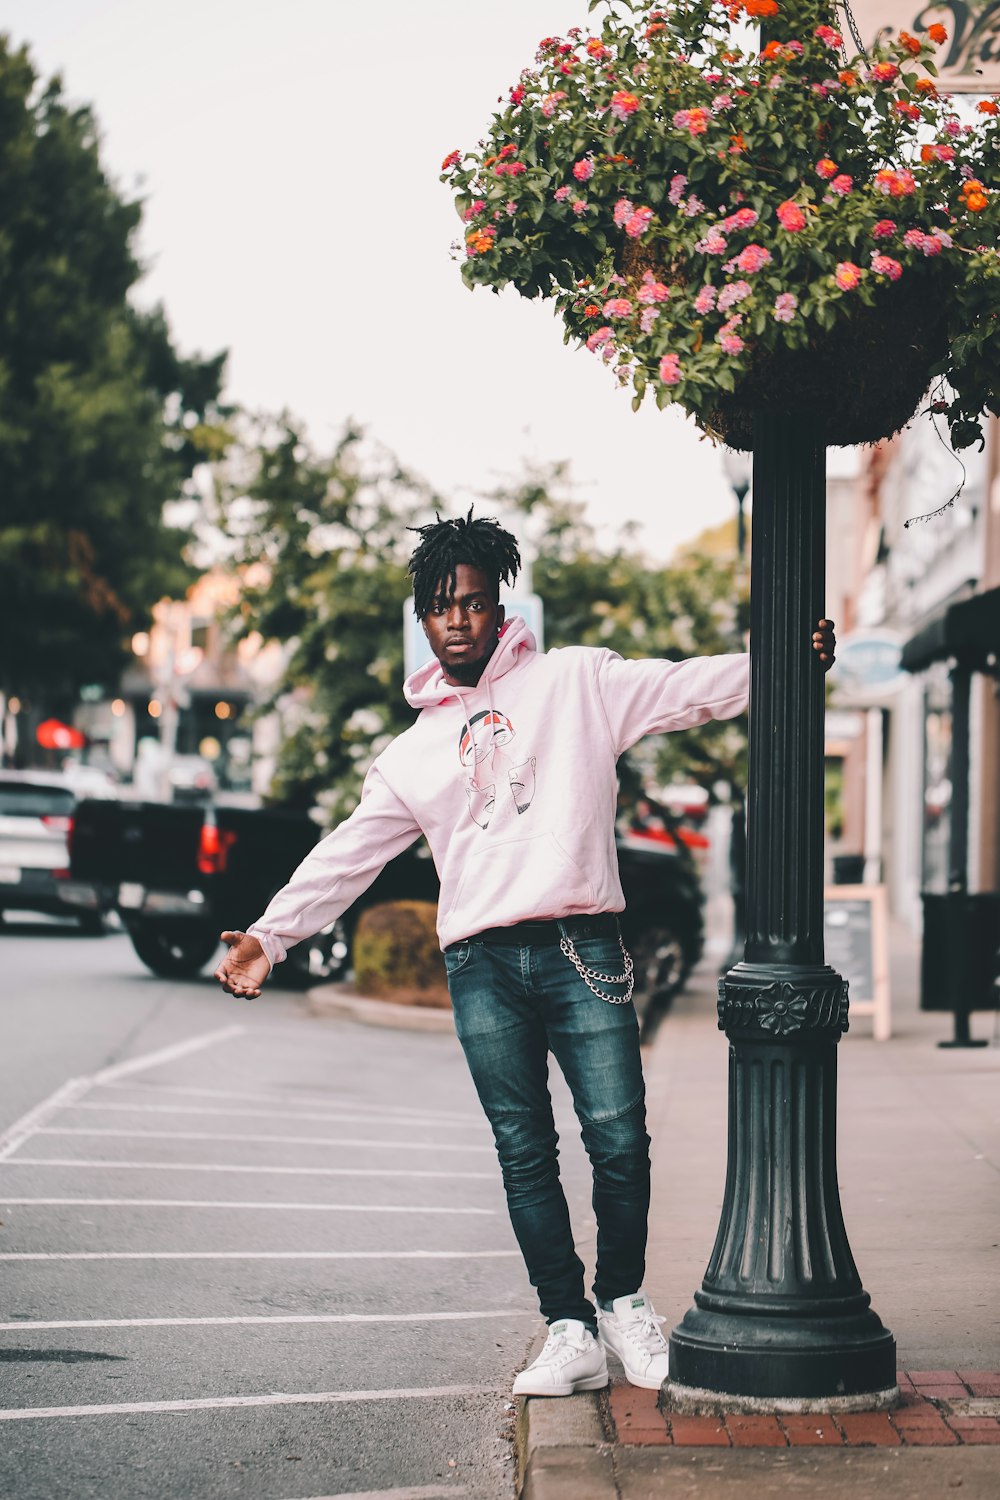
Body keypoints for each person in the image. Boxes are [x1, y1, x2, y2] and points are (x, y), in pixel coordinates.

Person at [215, 511, 836, 1396]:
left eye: (472, 602)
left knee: (620, 1137)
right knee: (523, 1151)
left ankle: (622, 1306)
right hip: (480, 966)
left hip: (581, 945)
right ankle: (569, 1328)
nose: (458, 620)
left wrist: (782, 662)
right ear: (423, 621)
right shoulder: (413, 753)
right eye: (440, 608)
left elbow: (683, 689)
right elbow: (347, 854)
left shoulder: (577, 681)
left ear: (499, 603)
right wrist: (271, 935)